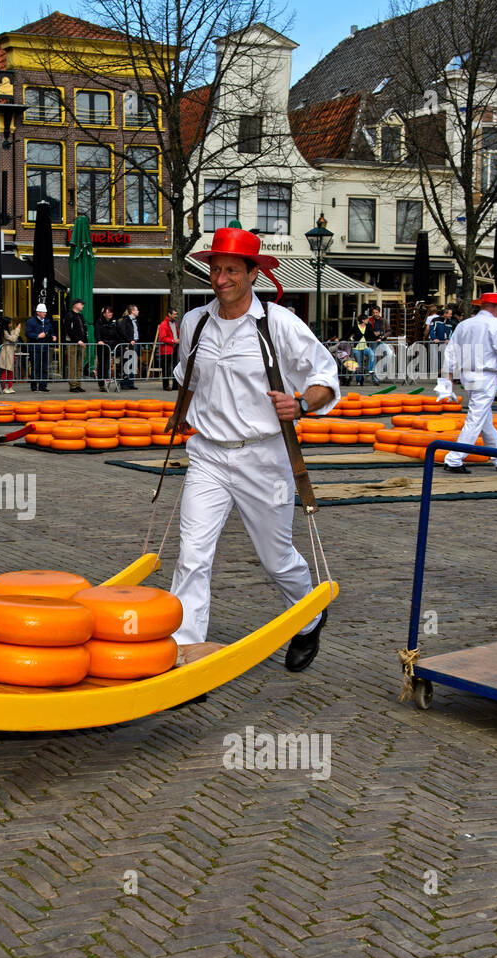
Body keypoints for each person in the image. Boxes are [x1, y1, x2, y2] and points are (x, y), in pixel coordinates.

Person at [170, 227, 339, 671]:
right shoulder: (195, 323)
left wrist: (301, 403)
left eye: (230, 270)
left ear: (251, 274)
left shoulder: (278, 323)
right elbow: (188, 376)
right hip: (208, 454)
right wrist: (186, 414)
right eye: (215, 269)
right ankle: (186, 652)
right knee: (192, 554)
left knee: (276, 557)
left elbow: (325, 375)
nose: (220, 278)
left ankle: (307, 617)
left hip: (264, 458)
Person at [436, 291, 497, 473]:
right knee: (476, 416)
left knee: (483, 415)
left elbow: (450, 352)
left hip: (468, 375)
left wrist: (448, 379)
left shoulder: (464, 325)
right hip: (486, 375)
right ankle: (454, 458)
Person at [25, 302, 55, 392]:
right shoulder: (31, 322)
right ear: (38, 312)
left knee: (44, 367)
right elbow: (27, 333)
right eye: (43, 312)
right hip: (35, 348)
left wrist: (52, 336)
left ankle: (43, 386)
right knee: (35, 367)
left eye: (45, 312)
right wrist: (37, 336)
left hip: (44, 347)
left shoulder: (47, 321)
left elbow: (50, 331)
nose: (45, 314)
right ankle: (34, 386)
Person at [64, 298, 89, 392]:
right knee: (72, 365)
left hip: (81, 344)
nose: (82, 306)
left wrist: (85, 342)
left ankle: (78, 384)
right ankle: (73, 385)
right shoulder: (69, 316)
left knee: (79, 365)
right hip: (72, 343)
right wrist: (77, 340)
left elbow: (84, 330)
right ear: (75, 305)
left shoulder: (81, 316)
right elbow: (69, 330)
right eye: (81, 304)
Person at [94, 304, 119, 390]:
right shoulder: (99, 321)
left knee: (108, 364)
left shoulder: (114, 321)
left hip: (111, 345)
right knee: (102, 364)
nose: (110, 314)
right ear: (104, 313)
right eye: (108, 312)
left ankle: (107, 379)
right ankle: (102, 383)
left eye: (111, 312)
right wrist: (99, 340)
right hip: (102, 345)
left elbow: (118, 333)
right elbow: (97, 332)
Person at [158, 308, 179, 391]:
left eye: (176, 314)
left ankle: (175, 385)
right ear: (169, 314)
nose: (176, 316)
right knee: (166, 368)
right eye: (174, 314)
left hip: (174, 348)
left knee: (175, 367)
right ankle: (166, 385)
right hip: (166, 349)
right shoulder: (164, 324)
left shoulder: (175, 323)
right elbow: (162, 338)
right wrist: (173, 340)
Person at [0, 315, 18, 393]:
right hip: (6, 353)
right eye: (10, 323)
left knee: (10, 371)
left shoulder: (7, 331)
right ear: (7, 324)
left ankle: (10, 387)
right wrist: (18, 330)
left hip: (10, 353)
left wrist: (16, 330)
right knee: (5, 371)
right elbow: (13, 338)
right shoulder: (4, 332)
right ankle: (4, 388)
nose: (11, 324)